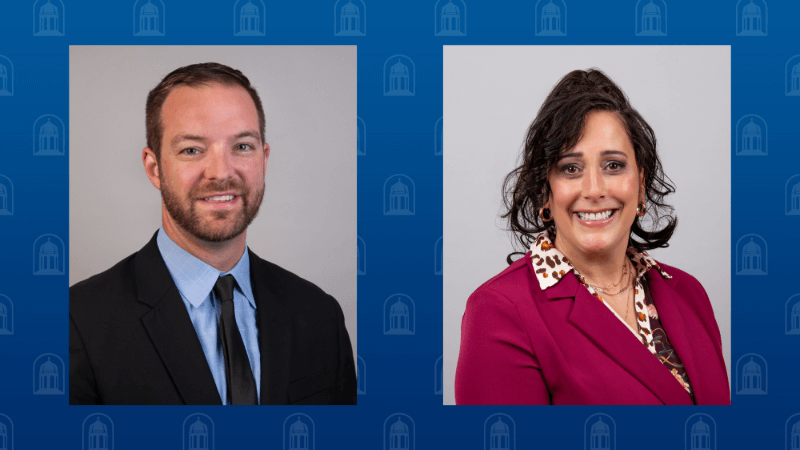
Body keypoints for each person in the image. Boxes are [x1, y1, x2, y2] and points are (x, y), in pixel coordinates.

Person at [69, 63, 356, 405]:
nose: (221, 172)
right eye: (192, 149)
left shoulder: (320, 314)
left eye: (242, 146)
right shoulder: (76, 322)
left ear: (264, 159)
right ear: (154, 168)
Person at [455, 69, 729, 405]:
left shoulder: (689, 293)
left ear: (640, 182)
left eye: (613, 165)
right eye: (571, 168)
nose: (595, 189)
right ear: (545, 191)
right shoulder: (499, 312)